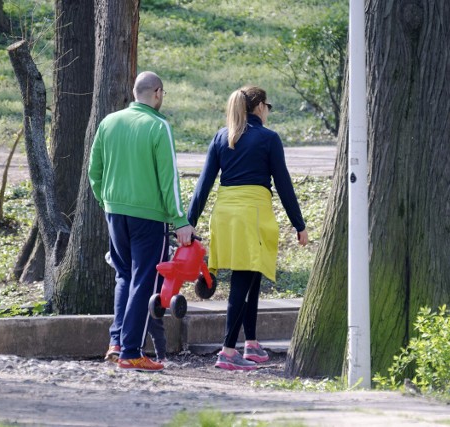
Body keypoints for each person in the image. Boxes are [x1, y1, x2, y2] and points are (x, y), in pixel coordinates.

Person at [187, 85, 309, 371]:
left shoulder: (222, 136)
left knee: (251, 276)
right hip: (251, 216)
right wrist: (299, 224)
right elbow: (283, 184)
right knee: (242, 280)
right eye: (268, 106)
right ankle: (228, 351)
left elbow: (203, 185)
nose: (268, 112)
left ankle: (251, 343)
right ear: (259, 107)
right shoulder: (268, 139)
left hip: (225, 215)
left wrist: (189, 222)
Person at [89, 71, 194, 371]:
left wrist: (107, 201)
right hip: (149, 218)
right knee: (144, 281)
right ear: (158, 93)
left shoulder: (108, 122)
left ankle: (117, 343)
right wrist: (179, 220)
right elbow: (168, 179)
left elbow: (94, 172)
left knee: (124, 276)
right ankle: (131, 351)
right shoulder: (158, 126)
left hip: (115, 213)